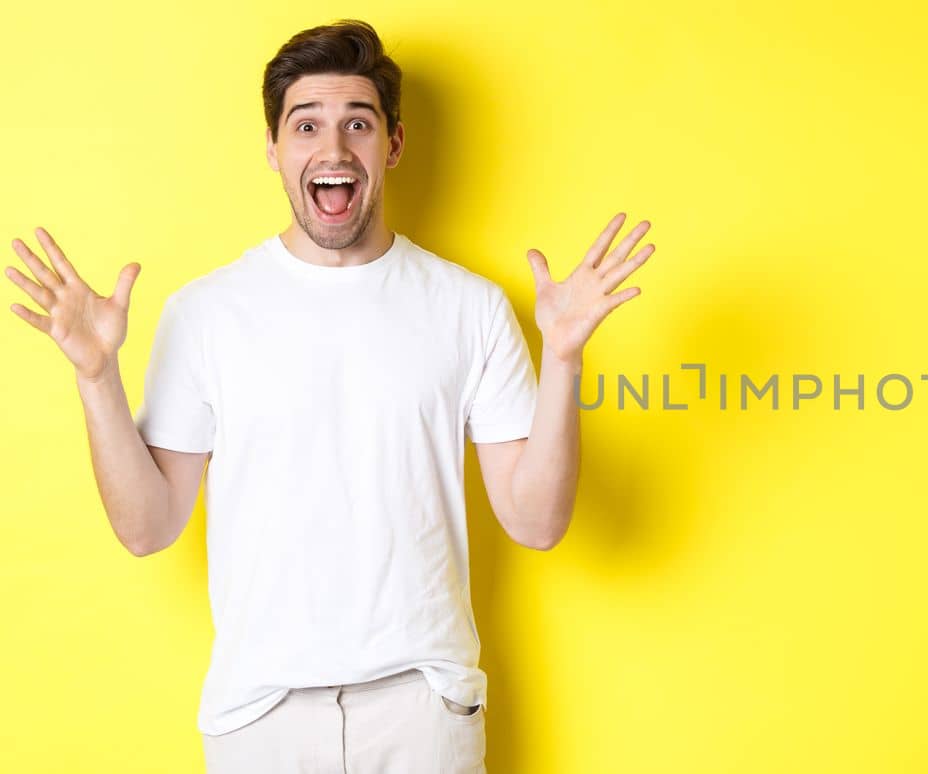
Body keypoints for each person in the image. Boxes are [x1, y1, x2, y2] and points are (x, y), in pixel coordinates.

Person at [4, 18, 657, 772]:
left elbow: (536, 521)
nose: (334, 149)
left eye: (359, 123)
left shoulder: (471, 307)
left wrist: (566, 358)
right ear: (275, 151)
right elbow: (147, 528)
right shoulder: (206, 313)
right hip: (260, 718)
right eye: (306, 125)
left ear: (395, 145)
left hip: (424, 712)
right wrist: (96, 375)